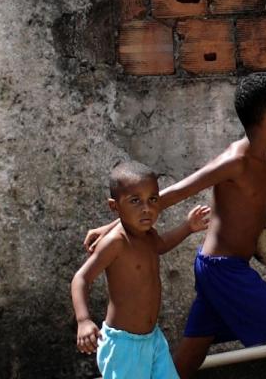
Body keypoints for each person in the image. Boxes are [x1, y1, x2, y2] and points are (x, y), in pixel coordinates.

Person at [84, 73, 266, 379]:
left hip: (219, 268)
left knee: (190, 355)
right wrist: (113, 226)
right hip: (224, 269)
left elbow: (252, 215)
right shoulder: (235, 161)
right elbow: (173, 193)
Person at [71, 161, 211, 379]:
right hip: (124, 346)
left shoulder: (148, 234)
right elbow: (81, 278)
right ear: (114, 206)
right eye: (135, 201)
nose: (147, 208)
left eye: (153, 200)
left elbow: (161, 245)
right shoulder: (116, 242)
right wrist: (83, 320)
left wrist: (188, 227)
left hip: (152, 339)